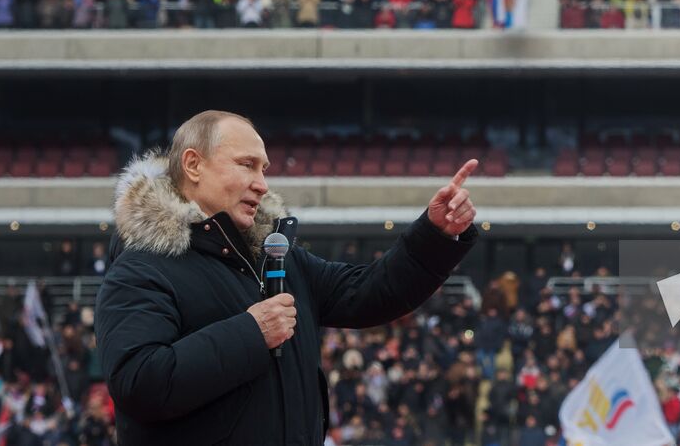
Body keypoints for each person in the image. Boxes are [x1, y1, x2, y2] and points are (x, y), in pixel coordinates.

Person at [95, 110, 479, 445]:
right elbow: (139, 382)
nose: (262, 183)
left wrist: (434, 235)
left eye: (264, 169)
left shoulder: (278, 257)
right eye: (246, 164)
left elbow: (368, 292)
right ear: (193, 165)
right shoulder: (140, 268)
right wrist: (251, 333)